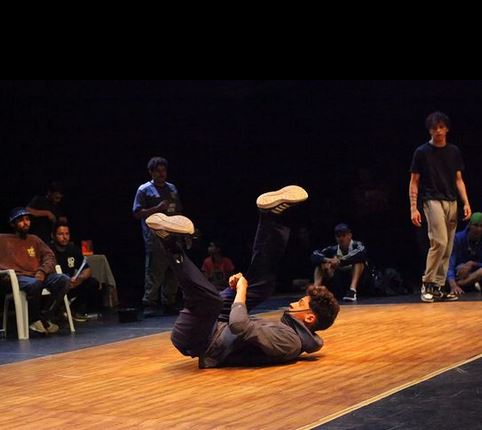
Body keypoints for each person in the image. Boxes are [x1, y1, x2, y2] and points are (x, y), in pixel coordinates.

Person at [145, 185, 340, 369]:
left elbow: (239, 325)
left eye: (300, 303)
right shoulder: (291, 333)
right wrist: (242, 286)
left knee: (210, 300)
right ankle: (270, 216)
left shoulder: (290, 342)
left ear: (309, 317)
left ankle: (169, 242)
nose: (292, 304)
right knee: (263, 286)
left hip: (199, 339)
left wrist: (241, 289)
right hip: (218, 324)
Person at [409, 111, 471, 302]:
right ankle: (427, 283)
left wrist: (466, 202)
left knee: (448, 246)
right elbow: (414, 181)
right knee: (440, 242)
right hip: (432, 199)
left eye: (441, 127)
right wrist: (413, 207)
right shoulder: (422, 152)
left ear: (447, 129)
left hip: (451, 200)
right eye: (434, 128)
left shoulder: (453, 151)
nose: (438, 131)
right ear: (429, 130)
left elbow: (459, 179)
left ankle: (437, 286)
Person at [0, 207, 70, 334]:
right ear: (12, 224)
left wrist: (42, 271)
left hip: (38, 275)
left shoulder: (34, 239)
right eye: (21, 220)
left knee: (63, 280)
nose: (26, 222)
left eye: (27, 219)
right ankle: (35, 320)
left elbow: (50, 256)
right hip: (18, 277)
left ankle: (45, 317)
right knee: (34, 284)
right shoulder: (3, 239)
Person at [132, 156, 183, 316]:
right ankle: (150, 303)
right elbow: (137, 213)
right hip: (155, 237)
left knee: (174, 269)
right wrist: (157, 208)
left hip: (173, 235)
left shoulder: (172, 188)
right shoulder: (144, 190)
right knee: (155, 270)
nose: (161, 174)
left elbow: (178, 210)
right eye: (158, 171)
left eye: (164, 170)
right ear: (151, 172)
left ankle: (169, 302)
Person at [50, 221, 101, 322]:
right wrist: (65, 281)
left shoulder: (73, 249)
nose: (64, 237)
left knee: (92, 283)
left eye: (67, 234)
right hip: (55, 287)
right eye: (60, 234)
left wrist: (79, 279)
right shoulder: (49, 250)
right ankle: (56, 311)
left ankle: (73, 310)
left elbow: (87, 269)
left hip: (72, 285)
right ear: (53, 236)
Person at [311, 223, 367, 302]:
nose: (341, 238)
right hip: (340, 281)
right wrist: (328, 260)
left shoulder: (358, 245)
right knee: (321, 264)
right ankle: (315, 291)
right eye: (338, 236)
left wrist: (340, 261)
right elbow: (315, 255)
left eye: (343, 235)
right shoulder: (333, 249)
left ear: (349, 235)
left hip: (359, 281)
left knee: (359, 262)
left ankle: (352, 291)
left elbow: (361, 254)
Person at [447, 212, 482, 295]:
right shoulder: (458, 238)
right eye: (475, 225)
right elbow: (449, 263)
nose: (478, 229)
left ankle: (461, 284)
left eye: (481, 226)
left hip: (473, 275)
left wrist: (472, 264)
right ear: (469, 225)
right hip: (457, 273)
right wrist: (453, 285)